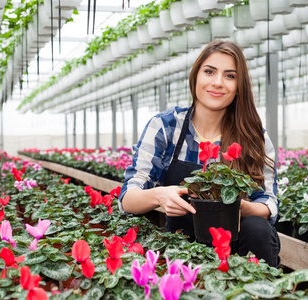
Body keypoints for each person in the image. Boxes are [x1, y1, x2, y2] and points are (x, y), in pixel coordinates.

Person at [118, 40, 280, 267]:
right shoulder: (166, 127)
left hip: (237, 251)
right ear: (195, 76)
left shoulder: (253, 136)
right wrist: (159, 196)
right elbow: (128, 198)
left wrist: (238, 207)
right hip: (180, 246)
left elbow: (269, 203)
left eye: (230, 76)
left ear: (239, 87)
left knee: (258, 228)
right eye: (209, 71)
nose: (217, 82)